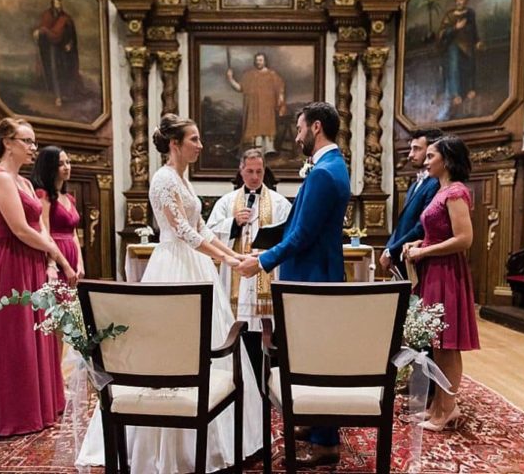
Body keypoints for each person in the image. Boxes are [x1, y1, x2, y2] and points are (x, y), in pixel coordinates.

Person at [77, 114, 262, 473]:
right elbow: (186, 235)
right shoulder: (163, 180)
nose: (200, 145)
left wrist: (232, 256)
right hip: (174, 266)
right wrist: (229, 258)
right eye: (194, 139)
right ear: (175, 144)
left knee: (207, 341)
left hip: (196, 266)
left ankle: (215, 434)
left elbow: (202, 228)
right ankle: (164, 439)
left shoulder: (182, 178)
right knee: (172, 347)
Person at [238, 101, 350, 468]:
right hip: (315, 273)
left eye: (300, 128)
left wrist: (263, 261)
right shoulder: (332, 166)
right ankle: (317, 427)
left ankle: (326, 443)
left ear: (316, 127)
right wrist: (267, 241)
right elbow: (300, 226)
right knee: (310, 355)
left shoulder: (322, 173)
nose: (297, 135)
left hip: (312, 278)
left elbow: (302, 235)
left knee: (316, 359)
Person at [0, 117, 76, 437]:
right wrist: (60, 257)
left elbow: (40, 227)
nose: (33, 147)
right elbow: (19, 230)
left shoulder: (26, 183)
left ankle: (42, 404)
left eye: (34, 142)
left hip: (33, 262)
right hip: (12, 263)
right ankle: (17, 412)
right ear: (7, 142)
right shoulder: (1, 178)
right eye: (26, 141)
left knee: (40, 333)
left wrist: (49, 261)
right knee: (17, 337)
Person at [403, 135, 480, 432]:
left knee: (448, 344)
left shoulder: (456, 191)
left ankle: (448, 408)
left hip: (447, 272)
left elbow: (464, 239)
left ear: (447, 160)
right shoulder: (440, 190)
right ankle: (438, 405)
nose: (426, 160)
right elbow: (440, 231)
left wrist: (425, 250)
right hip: (433, 269)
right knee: (436, 343)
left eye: (432, 155)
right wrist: (419, 241)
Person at [206, 148, 291, 383]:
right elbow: (209, 231)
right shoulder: (227, 202)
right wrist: (233, 223)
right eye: (250, 171)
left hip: (265, 271)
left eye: (259, 171)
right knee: (238, 327)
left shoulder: (279, 203)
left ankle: (266, 372)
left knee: (264, 328)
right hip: (237, 275)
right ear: (241, 171)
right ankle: (238, 373)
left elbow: (288, 235)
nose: (255, 176)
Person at [380, 128, 442, 279]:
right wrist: (389, 248)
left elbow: (421, 226)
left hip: (418, 257)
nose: (410, 155)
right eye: (411, 149)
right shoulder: (415, 184)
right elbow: (403, 223)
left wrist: (392, 251)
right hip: (402, 254)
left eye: (417, 149)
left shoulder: (435, 184)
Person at [31, 146, 85, 282]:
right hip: (55, 254)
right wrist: (63, 265)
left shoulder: (69, 198)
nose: (67, 167)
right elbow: (45, 233)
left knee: (70, 301)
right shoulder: (43, 195)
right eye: (60, 164)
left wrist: (80, 262)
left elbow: (74, 234)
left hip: (72, 252)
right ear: (49, 167)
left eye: (68, 162)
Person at [226, 52, 286, 154]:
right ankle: (257, 150)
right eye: (257, 60)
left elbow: (280, 89)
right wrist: (230, 78)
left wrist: (280, 98)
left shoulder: (272, 75)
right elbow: (240, 88)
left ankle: (269, 149)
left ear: (265, 61)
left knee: (267, 127)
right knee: (255, 127)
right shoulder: (249, 75)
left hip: (267, 108)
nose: (258, 62)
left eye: (260, 60)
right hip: (253, 109)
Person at [33, 0, 81, 108]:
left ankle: (64, 93)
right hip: (52, 48)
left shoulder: (66, 18)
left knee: (64, 69)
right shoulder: (47, 16)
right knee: (54, 69)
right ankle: (58, 96)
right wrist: (39, 32)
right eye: (56, 4)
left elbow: (71, 33)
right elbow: (43, 28)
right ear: (52, 5)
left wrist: (70, 43)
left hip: (63, 48)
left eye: (59, 4)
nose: (58, 6)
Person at [438, 0, 483, 107]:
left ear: (466, 1)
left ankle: (471, 89)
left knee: (470, 65)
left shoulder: (470, 13)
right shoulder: (449, 15)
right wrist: (455, 28)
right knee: (455, 67)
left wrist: (477, 41)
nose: (459, 2)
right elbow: (442, 33)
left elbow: (474, 29)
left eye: (461, 0)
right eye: (457, 0)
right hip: (453, 45)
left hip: (468, 44)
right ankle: (456, 94)